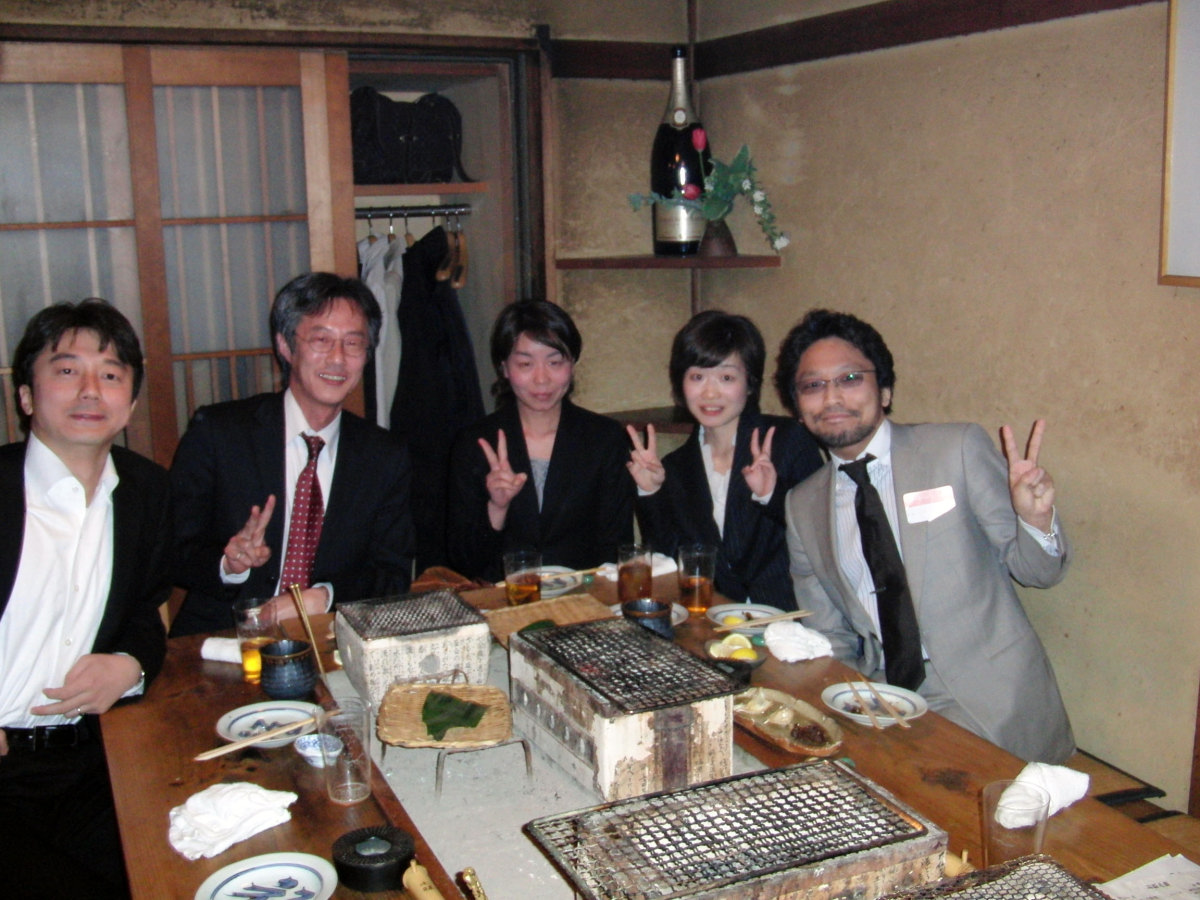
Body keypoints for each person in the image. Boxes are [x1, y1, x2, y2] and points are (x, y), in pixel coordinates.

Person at [776, 308, 1074, 763]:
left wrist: (1036, 520)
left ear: (885, 390)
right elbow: (828, 633)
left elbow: (1040, 573)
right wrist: (850, 706)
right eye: (812, 386)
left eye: (850, 378)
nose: (832, 397)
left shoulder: (955, 450)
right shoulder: (802, 505)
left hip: (989, 700)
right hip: (883, 702)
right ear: (798, 408)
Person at [0, 299, 170, 896]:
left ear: (130, 401)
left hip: (94, 760)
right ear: (27, 395)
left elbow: (145, 613)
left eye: (111, 374)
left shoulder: (146, 491)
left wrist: (129, 664)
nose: (90, 390)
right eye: (68, 370)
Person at [169, 272, 415, 636]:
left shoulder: (384, 455)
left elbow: (392, 575)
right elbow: (173, 547)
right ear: (285, 346)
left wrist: (324, 597)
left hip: (330, 641)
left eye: (353, 343)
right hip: (224, 638)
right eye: (321, 340)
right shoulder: (220, 432)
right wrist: (228, 564)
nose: (337, 359)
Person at [626, 311, 823, 610]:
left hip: (792, 618)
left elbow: (824, 534)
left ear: (750, 383)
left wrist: (771, 495)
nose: (710, 392)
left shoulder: (788, 440)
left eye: (726, 378)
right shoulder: (676, 466)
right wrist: (651, 492)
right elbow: (671, 560)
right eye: (697, 377)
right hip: (714, 619)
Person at [447, 299, 634, 582]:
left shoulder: (605, 439)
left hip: (583, 599)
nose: (542, 379)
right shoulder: (475, 443)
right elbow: (463, 562)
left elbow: (616, 549)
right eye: (525, 364)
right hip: (503, 600)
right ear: (504, 368)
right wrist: (497, 508)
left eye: (554, 362)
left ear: (572, 364)